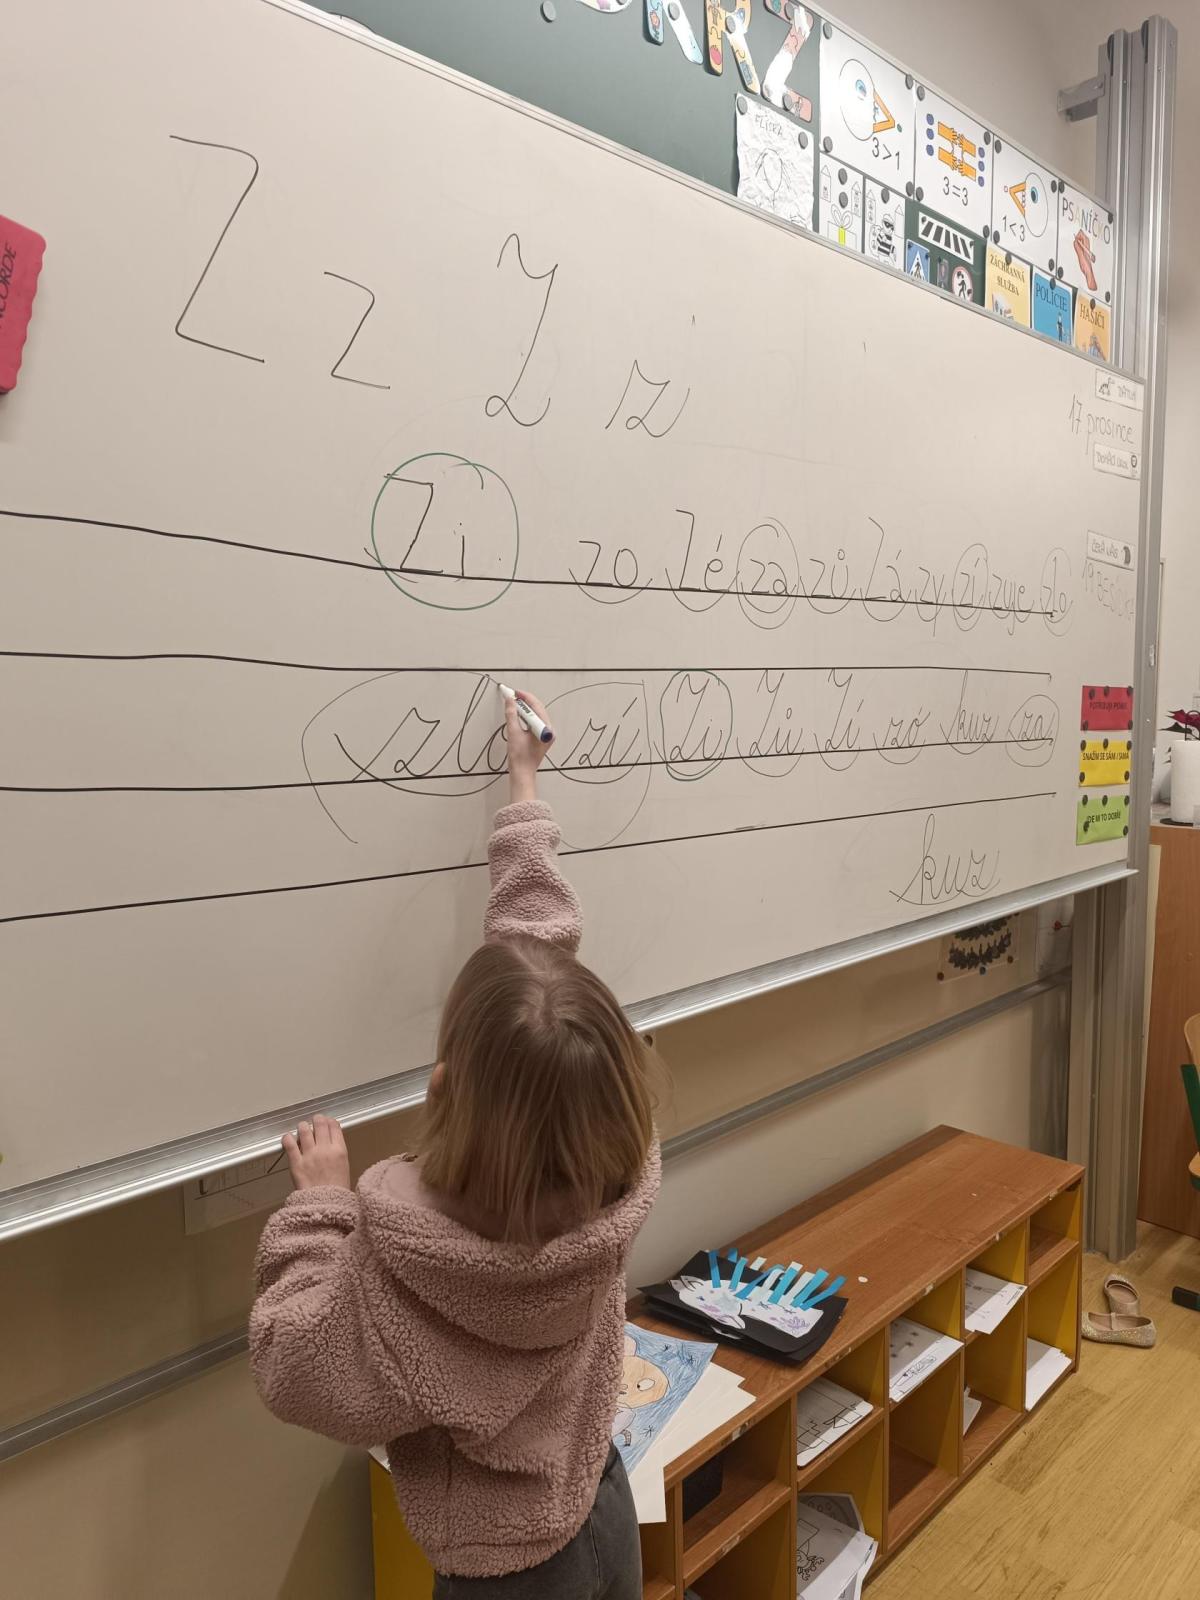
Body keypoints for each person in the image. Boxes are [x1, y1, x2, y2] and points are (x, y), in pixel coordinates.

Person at [250, 690, 659, 1599]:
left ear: (441, 1087)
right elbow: (540, 995)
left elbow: (292, 1364)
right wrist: (524, 795)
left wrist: (320, 1210)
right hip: (598, 1505)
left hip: (502, 1574)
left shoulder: (407, 1272)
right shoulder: (606, 1177)